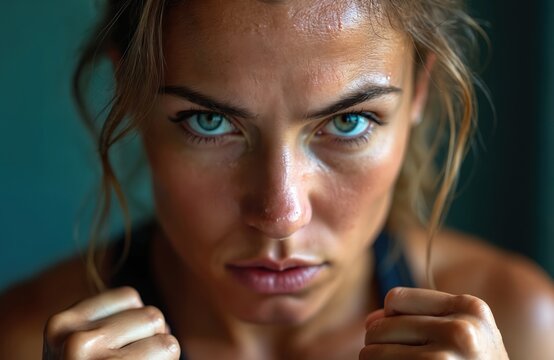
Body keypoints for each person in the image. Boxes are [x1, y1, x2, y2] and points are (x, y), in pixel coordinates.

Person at [1, 0, 553, 358]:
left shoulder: (524, 326)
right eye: (209, 121)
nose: (281, 213)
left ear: (421, 93)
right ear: (134, 95)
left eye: (347, 121)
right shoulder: (20, 340)